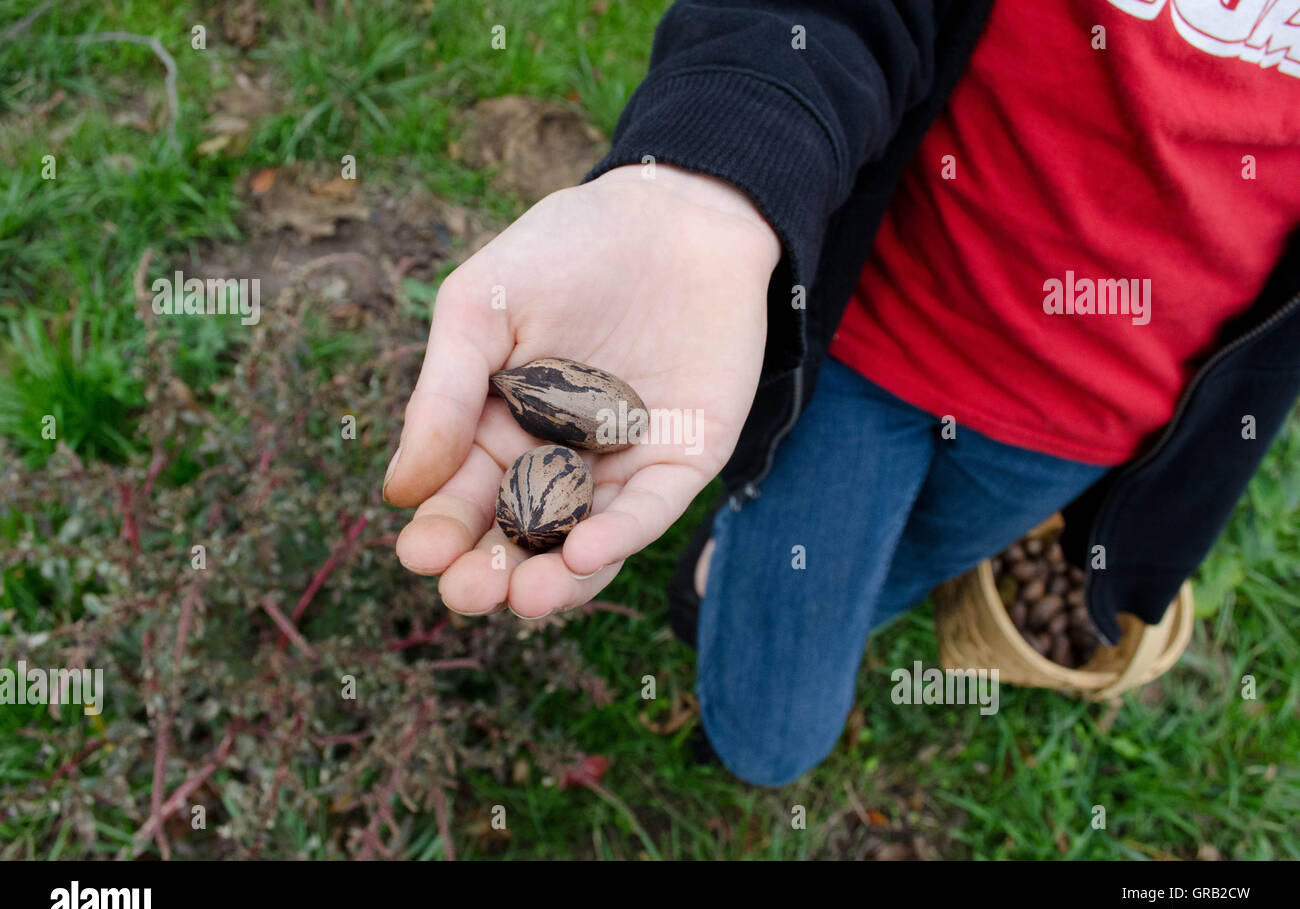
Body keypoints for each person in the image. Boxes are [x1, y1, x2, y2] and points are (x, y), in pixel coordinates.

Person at [382, 0, 1300, 786]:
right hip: (875, 331)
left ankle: (798, 573)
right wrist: (712, 168)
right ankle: (742, 584)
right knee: (772, 739)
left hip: (1096, 416)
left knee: (904, 566)